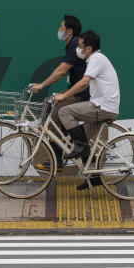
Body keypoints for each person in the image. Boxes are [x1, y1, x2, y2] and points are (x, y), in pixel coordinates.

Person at [53, 30, 120, 190]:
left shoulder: (96, 59)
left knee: (64, 112)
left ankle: (80, 146)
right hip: (103, 105)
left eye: (80, 46)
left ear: (88, 49)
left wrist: (64, 97)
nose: (78, 49)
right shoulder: (97, 59)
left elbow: (84, 83)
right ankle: (95, 177)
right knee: (84, 137)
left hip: (101, 106)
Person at [28, 15, 88, 172]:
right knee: (50, 103)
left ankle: (57, 160)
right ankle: (70, 142)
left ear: (69, 31)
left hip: (83, 93)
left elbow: (62, 70)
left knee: (56, 114)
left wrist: (41, 85)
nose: (59, 30)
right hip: (76, 89)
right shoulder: (73, 45)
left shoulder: (75, 44)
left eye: (61, 27)